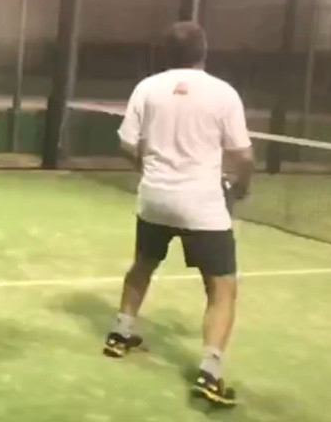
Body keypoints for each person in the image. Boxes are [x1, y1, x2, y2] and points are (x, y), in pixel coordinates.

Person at [103, 21, 254, 408]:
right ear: (204, 51)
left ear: (165, 53)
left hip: (154, 198)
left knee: (143, 264)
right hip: (202, 204)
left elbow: (126, 143)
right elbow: (243, 155)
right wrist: (241, 184)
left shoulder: (147, 88)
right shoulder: (223, 92)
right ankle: (210, 372)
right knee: (221, 287)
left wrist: (148, 169)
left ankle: (120, 333)